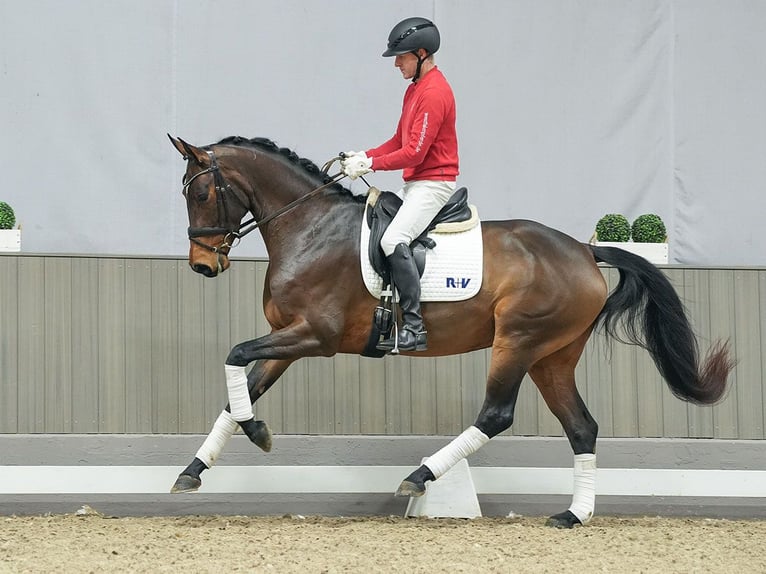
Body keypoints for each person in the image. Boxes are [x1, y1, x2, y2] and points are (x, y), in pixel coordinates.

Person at [341, 16, 459, 353]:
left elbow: (415, 152)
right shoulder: (415, 90)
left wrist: (372, 165)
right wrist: (364, 154)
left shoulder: (434, 92)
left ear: (421, 54)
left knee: (393, 239)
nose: (396, 63)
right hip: (417, 184)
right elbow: (398, 139)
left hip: (433, 183)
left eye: (402, 57)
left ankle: (413, 326)